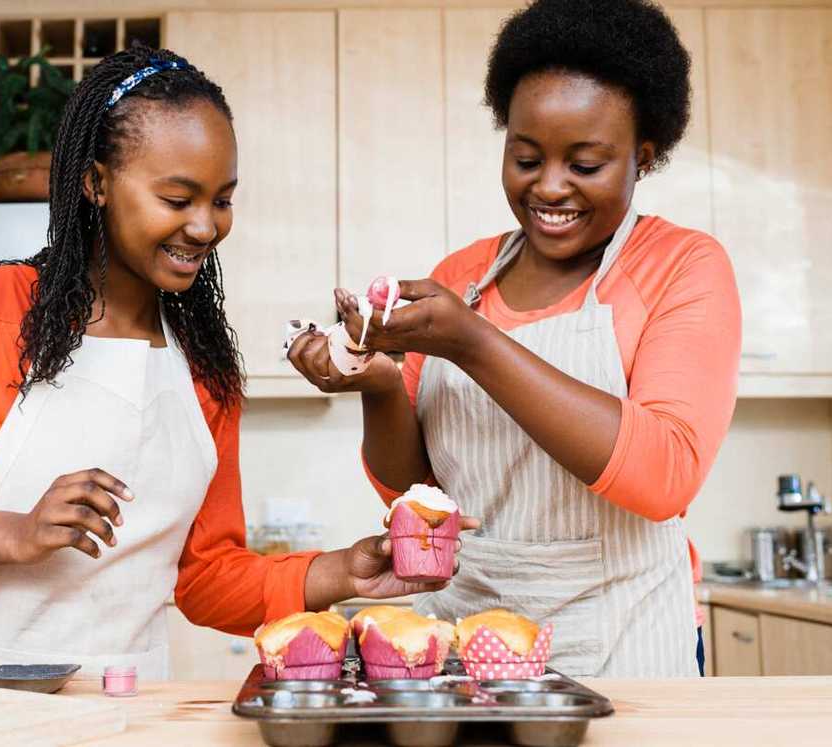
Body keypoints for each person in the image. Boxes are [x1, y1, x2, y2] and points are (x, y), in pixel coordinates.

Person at [0, 46, 473, 679]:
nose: (204, 227)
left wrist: (339, 570)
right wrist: (14, 533)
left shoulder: (204, 364)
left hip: (125, 703)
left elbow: (205, 576)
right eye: (177, 199)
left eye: (222, 200)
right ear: (96, 183)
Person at [288, 0, 740, 677]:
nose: (549, 186)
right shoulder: (461, 278)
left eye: (585, 163)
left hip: (626, 641)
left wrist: (471, 342)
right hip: (467, 638)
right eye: (527, 157)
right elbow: (416, 494)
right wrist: (380, 382)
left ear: (642, 159)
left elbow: (663, 474)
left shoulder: (681, 265)